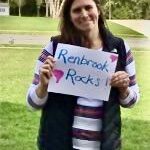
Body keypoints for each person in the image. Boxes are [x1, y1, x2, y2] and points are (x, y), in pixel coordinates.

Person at [26, 0, 140, 150]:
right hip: (57, 143)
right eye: (77, 10)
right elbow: (32, 104)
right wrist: (43, 85)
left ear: (98, 10)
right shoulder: (54, 48)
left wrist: (124, 89)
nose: (84, 14)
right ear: (69, 16)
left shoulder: (119, 48)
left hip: (104, 145)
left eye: (88, 7)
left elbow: (132, 102)